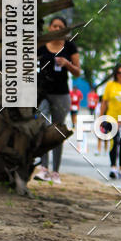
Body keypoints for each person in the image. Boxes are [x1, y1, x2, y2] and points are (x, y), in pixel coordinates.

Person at [35, 16, 81, 185]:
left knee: (57, 131)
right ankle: (44, 168)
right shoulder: (41, 45)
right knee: (43, 127)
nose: (57, 29)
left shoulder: (70, 46)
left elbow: (77, 72)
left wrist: (67, 64)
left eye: (60, 26)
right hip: (43, 93)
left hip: (61, 94)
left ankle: (55, 171)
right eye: (54, 26)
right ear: (49, 28)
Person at [100, 64, 121, 179]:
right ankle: (113, 167)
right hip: (111, 119)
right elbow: (104, 102)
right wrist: (101, 118)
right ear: (116, 74)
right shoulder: (110, 85)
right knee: (114, 143)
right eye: (120, 73)